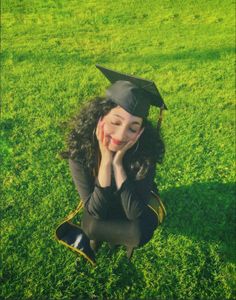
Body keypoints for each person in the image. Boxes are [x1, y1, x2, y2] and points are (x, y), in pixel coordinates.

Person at [55, 65, 167, 266]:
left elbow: (135, 213)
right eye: (116, 122)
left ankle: (124, 243)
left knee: (138, 233)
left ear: (141, 131)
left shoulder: (145, 152)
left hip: (134, 201)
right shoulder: (80, 152)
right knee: (91, 227)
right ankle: (101, 239)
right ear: (100, 118)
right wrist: (106, 160)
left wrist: (118, 165)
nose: (121, 135)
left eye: (133, 128)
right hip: (101, 202)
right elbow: (95, 211)